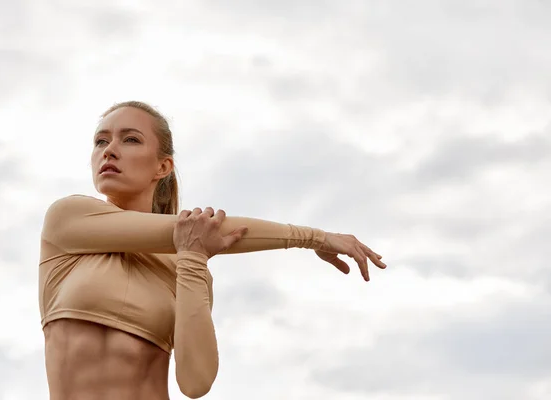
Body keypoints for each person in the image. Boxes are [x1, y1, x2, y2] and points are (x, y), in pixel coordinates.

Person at [38, 101, 387, 400]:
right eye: (100, 141)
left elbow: (195, 382)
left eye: (130, 139)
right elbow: (189, 230)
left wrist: (191, 260)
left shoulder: (189, 261)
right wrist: (317, 237)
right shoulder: (68, 221)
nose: (109, 150)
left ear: (163, 166)